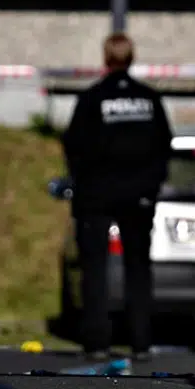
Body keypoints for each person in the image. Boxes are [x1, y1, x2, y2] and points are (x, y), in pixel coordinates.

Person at [61, 33, 173, 362]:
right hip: (139, 196)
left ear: (105, 58)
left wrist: (83, 183)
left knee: (94, 269)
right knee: (138, 268)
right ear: (132, 57)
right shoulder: (149, 99)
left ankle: (97, 341)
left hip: (96, 196)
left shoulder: (92, 99)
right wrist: (151, 186)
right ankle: (141, 342)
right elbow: (164, 145)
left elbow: (73, 145)